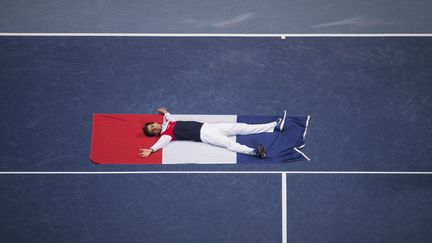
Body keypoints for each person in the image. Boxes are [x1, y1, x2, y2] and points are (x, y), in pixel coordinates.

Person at [138, 108, 287, 159]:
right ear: (154, 133)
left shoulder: (168, 122)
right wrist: (151, 149)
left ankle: (273, 126)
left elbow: (170, 117)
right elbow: (161, 143)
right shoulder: (166, 135)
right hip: (206, 136)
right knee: (230, 144)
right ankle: (254, 152)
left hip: (210, 127)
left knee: (242, 127)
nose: (155, 127)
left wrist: (165, 112)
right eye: (153, 130)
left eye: (153, 125)